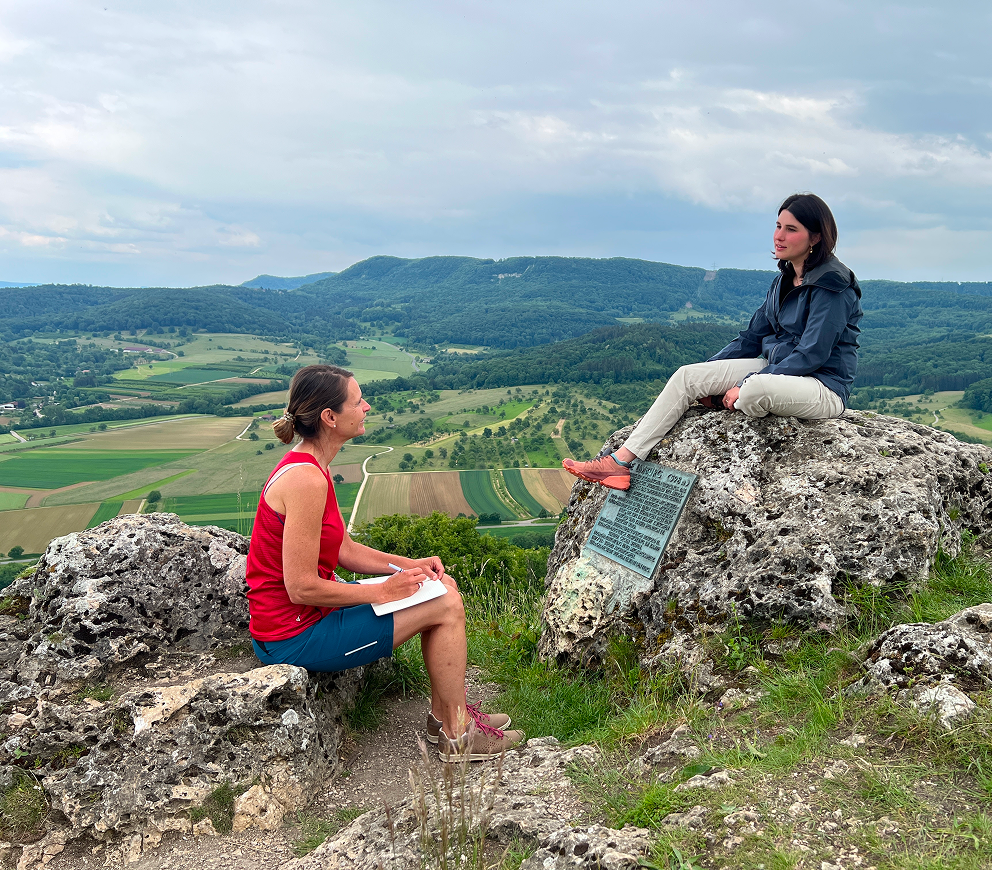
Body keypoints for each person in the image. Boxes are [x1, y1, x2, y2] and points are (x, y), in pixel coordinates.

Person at [246, 363, 524, 762]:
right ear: (330, 417)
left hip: (309, 617)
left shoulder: (312, 467)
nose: (367, 407)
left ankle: (444, 717)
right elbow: (300, 586)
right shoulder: (305, 480)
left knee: (443, 587)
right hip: (292, 636)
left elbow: (344, 550)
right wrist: (383, 590)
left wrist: (409, 565)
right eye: (358, 402)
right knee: (444, 606)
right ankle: (458, 736)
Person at [564, 193, 862, 490]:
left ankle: (730, 399)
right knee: (688, 376)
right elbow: (751, 337)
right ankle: (619, 463)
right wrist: (709, 374)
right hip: (777, 368)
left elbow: (812, 354)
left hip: (822, 385)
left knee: (755, 388)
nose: (778, 236)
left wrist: (745, 382)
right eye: (778, 226)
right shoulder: (783, 281)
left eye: (791, 229)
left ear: (816, 237)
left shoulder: (833, 284)